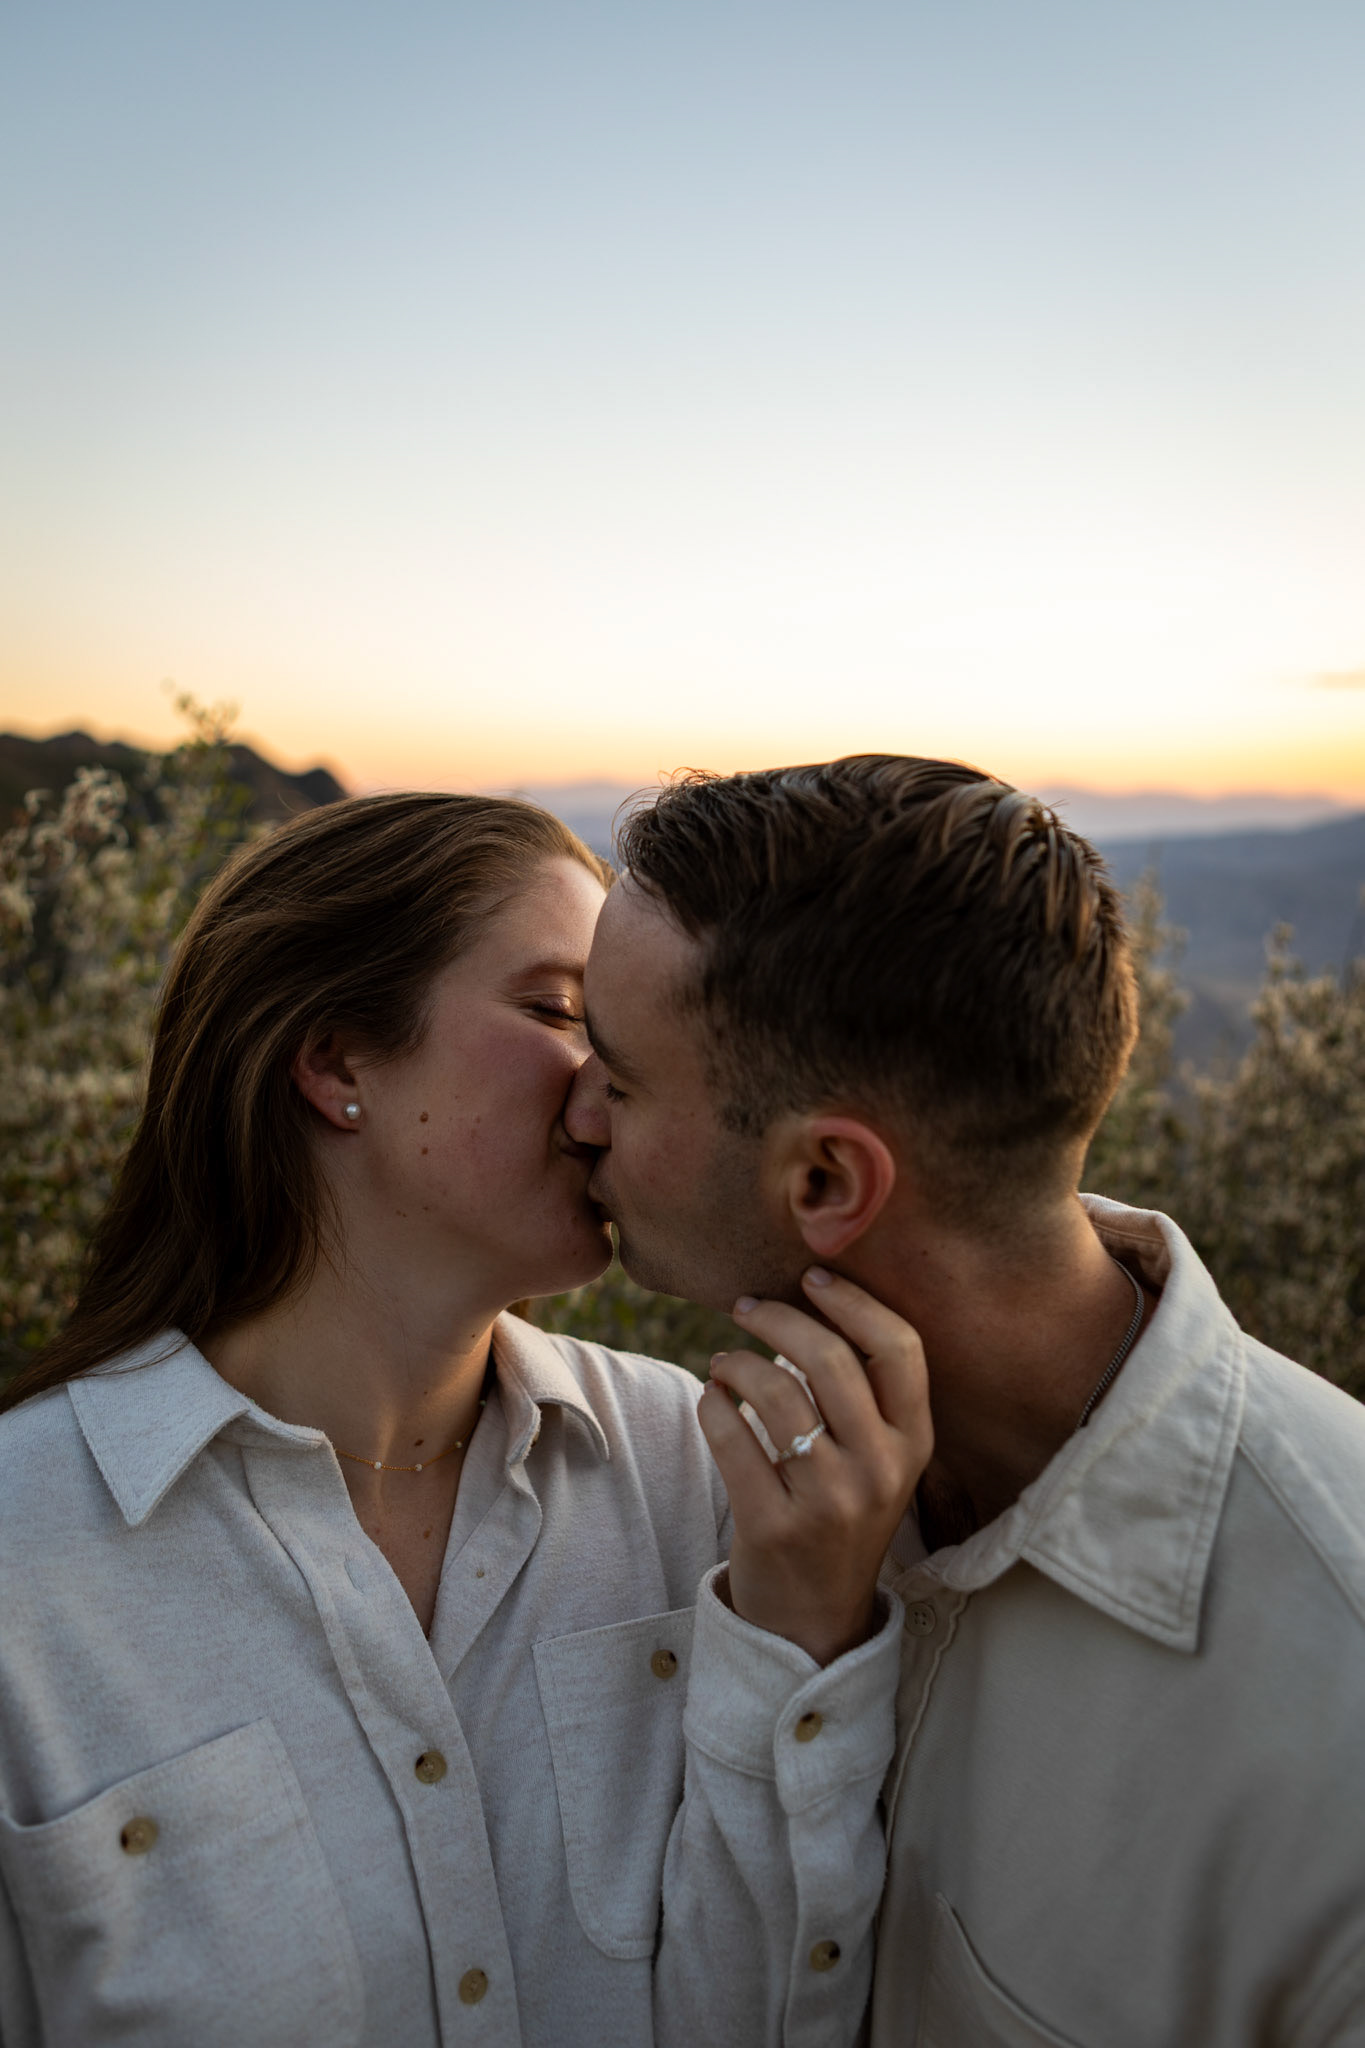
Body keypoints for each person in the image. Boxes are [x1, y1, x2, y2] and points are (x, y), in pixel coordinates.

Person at [0, 791, 931, 2048]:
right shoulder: (27, 1563)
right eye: (556, 1013)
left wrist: (807, 1627)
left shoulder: (705, 1479)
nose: (610, 1093)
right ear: (337, 1064)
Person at [565, 754, 1365, 2047]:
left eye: (622, 1075)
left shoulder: (1329, 1725)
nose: (579, 1115)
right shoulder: (738, 1489)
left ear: (825, 1182)